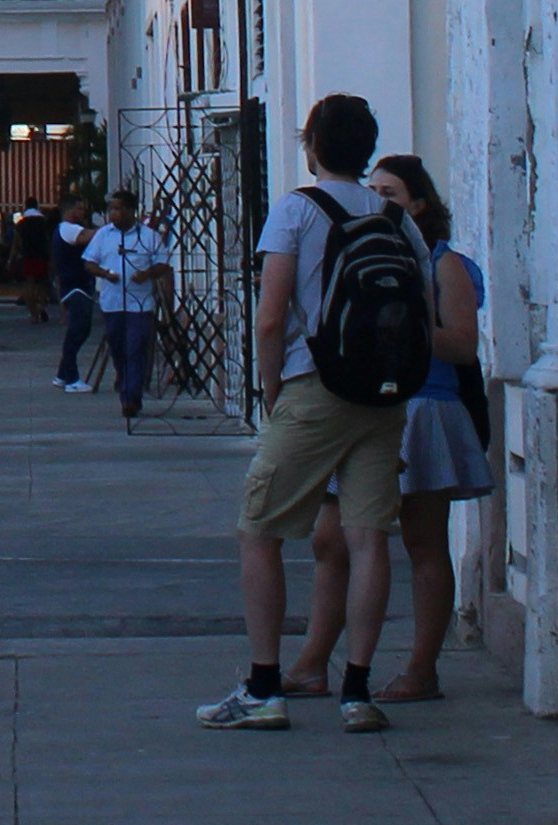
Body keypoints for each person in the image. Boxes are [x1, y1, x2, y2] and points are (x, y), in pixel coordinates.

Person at [201, 96, 419, 733]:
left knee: (259, 529)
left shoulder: (298, 209)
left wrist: (271, 393)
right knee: (368, 536)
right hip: (381, 395)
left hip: (312, 385)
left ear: (313, 146)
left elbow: (271, 317)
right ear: (368, 147)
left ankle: (265, 682)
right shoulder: (395, 217)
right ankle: (357, 689)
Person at [289, 153, 487, 699]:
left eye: (392, 194)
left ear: (418, 204)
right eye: (373, 191)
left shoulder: (444, 262)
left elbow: (464, 345)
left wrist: (402, 330)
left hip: (424, 407)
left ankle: (422, 668)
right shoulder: (358, 254)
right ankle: (311, 662)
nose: (380, 202)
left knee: (423, 542)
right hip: (360, 407)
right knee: (331, 540)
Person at [88, 183, 170, 426]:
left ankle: (131, 397)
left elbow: (164, 263)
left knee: (136, 348)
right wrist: (104, 273)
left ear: (131, 211)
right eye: (111, 209)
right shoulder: (104, 235)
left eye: (118, 209)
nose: (113, 214)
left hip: (140, 304)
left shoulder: (148, 236)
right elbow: (88, 262)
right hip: (112, 303)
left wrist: (147, 274)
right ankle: (125, 384)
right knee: (118, 348)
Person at [49, 193, 103, 388]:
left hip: (79, 286)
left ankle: (63, 374)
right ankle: (71, 378)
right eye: (79, 208)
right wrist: (108, 228)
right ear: (70, 210)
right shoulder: (68, 229)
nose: (83, 212)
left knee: (82, 329)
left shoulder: (66, 229)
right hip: (74, 287)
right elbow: (85, 237)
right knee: (76, 330)